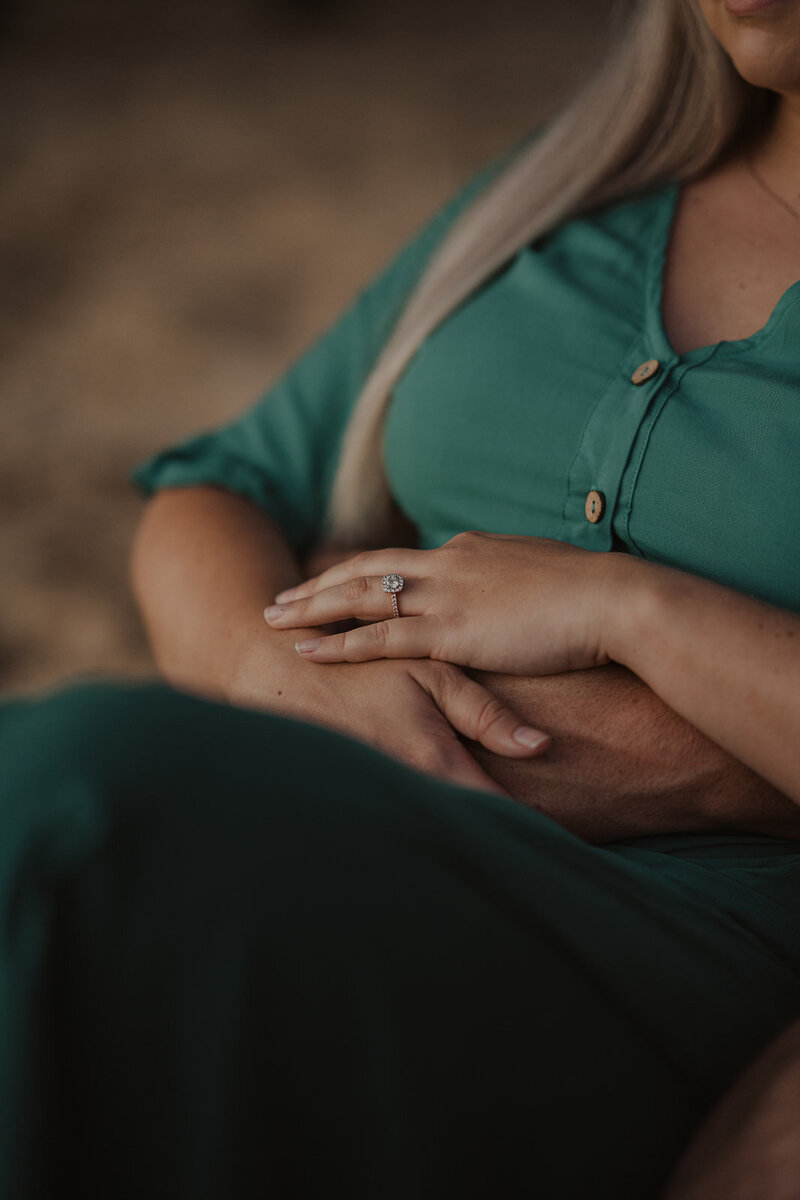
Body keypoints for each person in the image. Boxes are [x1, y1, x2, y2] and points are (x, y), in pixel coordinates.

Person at [2, 0, 800, 1196]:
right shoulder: (558, 198)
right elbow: (221, 488)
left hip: (674, 957)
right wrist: (264, 678)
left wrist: (632, 611)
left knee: (79, 801)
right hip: (354, 844)